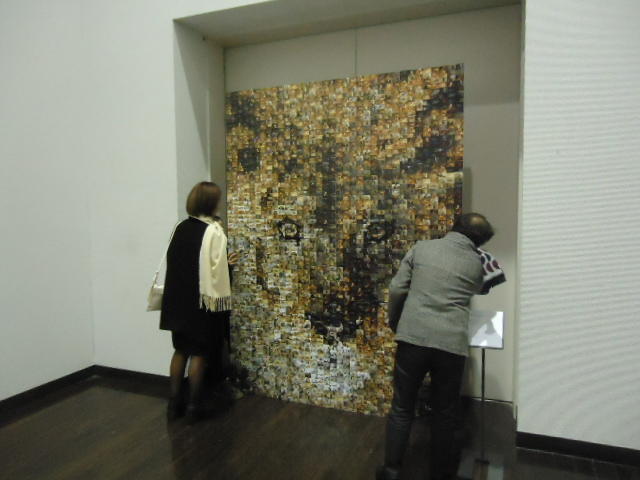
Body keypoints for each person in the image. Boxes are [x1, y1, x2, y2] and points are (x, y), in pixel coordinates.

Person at [377, 213, 496, 480]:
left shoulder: (422, 248)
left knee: (402, 407)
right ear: (479, 240)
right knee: (445, 413)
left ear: (455, 226)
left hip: (413, 337)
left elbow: (397, 288)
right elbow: (478, 288)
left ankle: (391, 470)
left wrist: (396, 321)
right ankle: (440, 473)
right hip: (451, 344)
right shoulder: (478, 263)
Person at [160, 181, 238, 423]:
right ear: (211, 203)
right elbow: (215, 274)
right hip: (200, 304)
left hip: (176, 301)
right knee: (199, 354)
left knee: (180, 351)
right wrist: (229, 266)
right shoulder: (213, 232)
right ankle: (193, 408)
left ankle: (173, 405)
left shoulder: (180, 228)